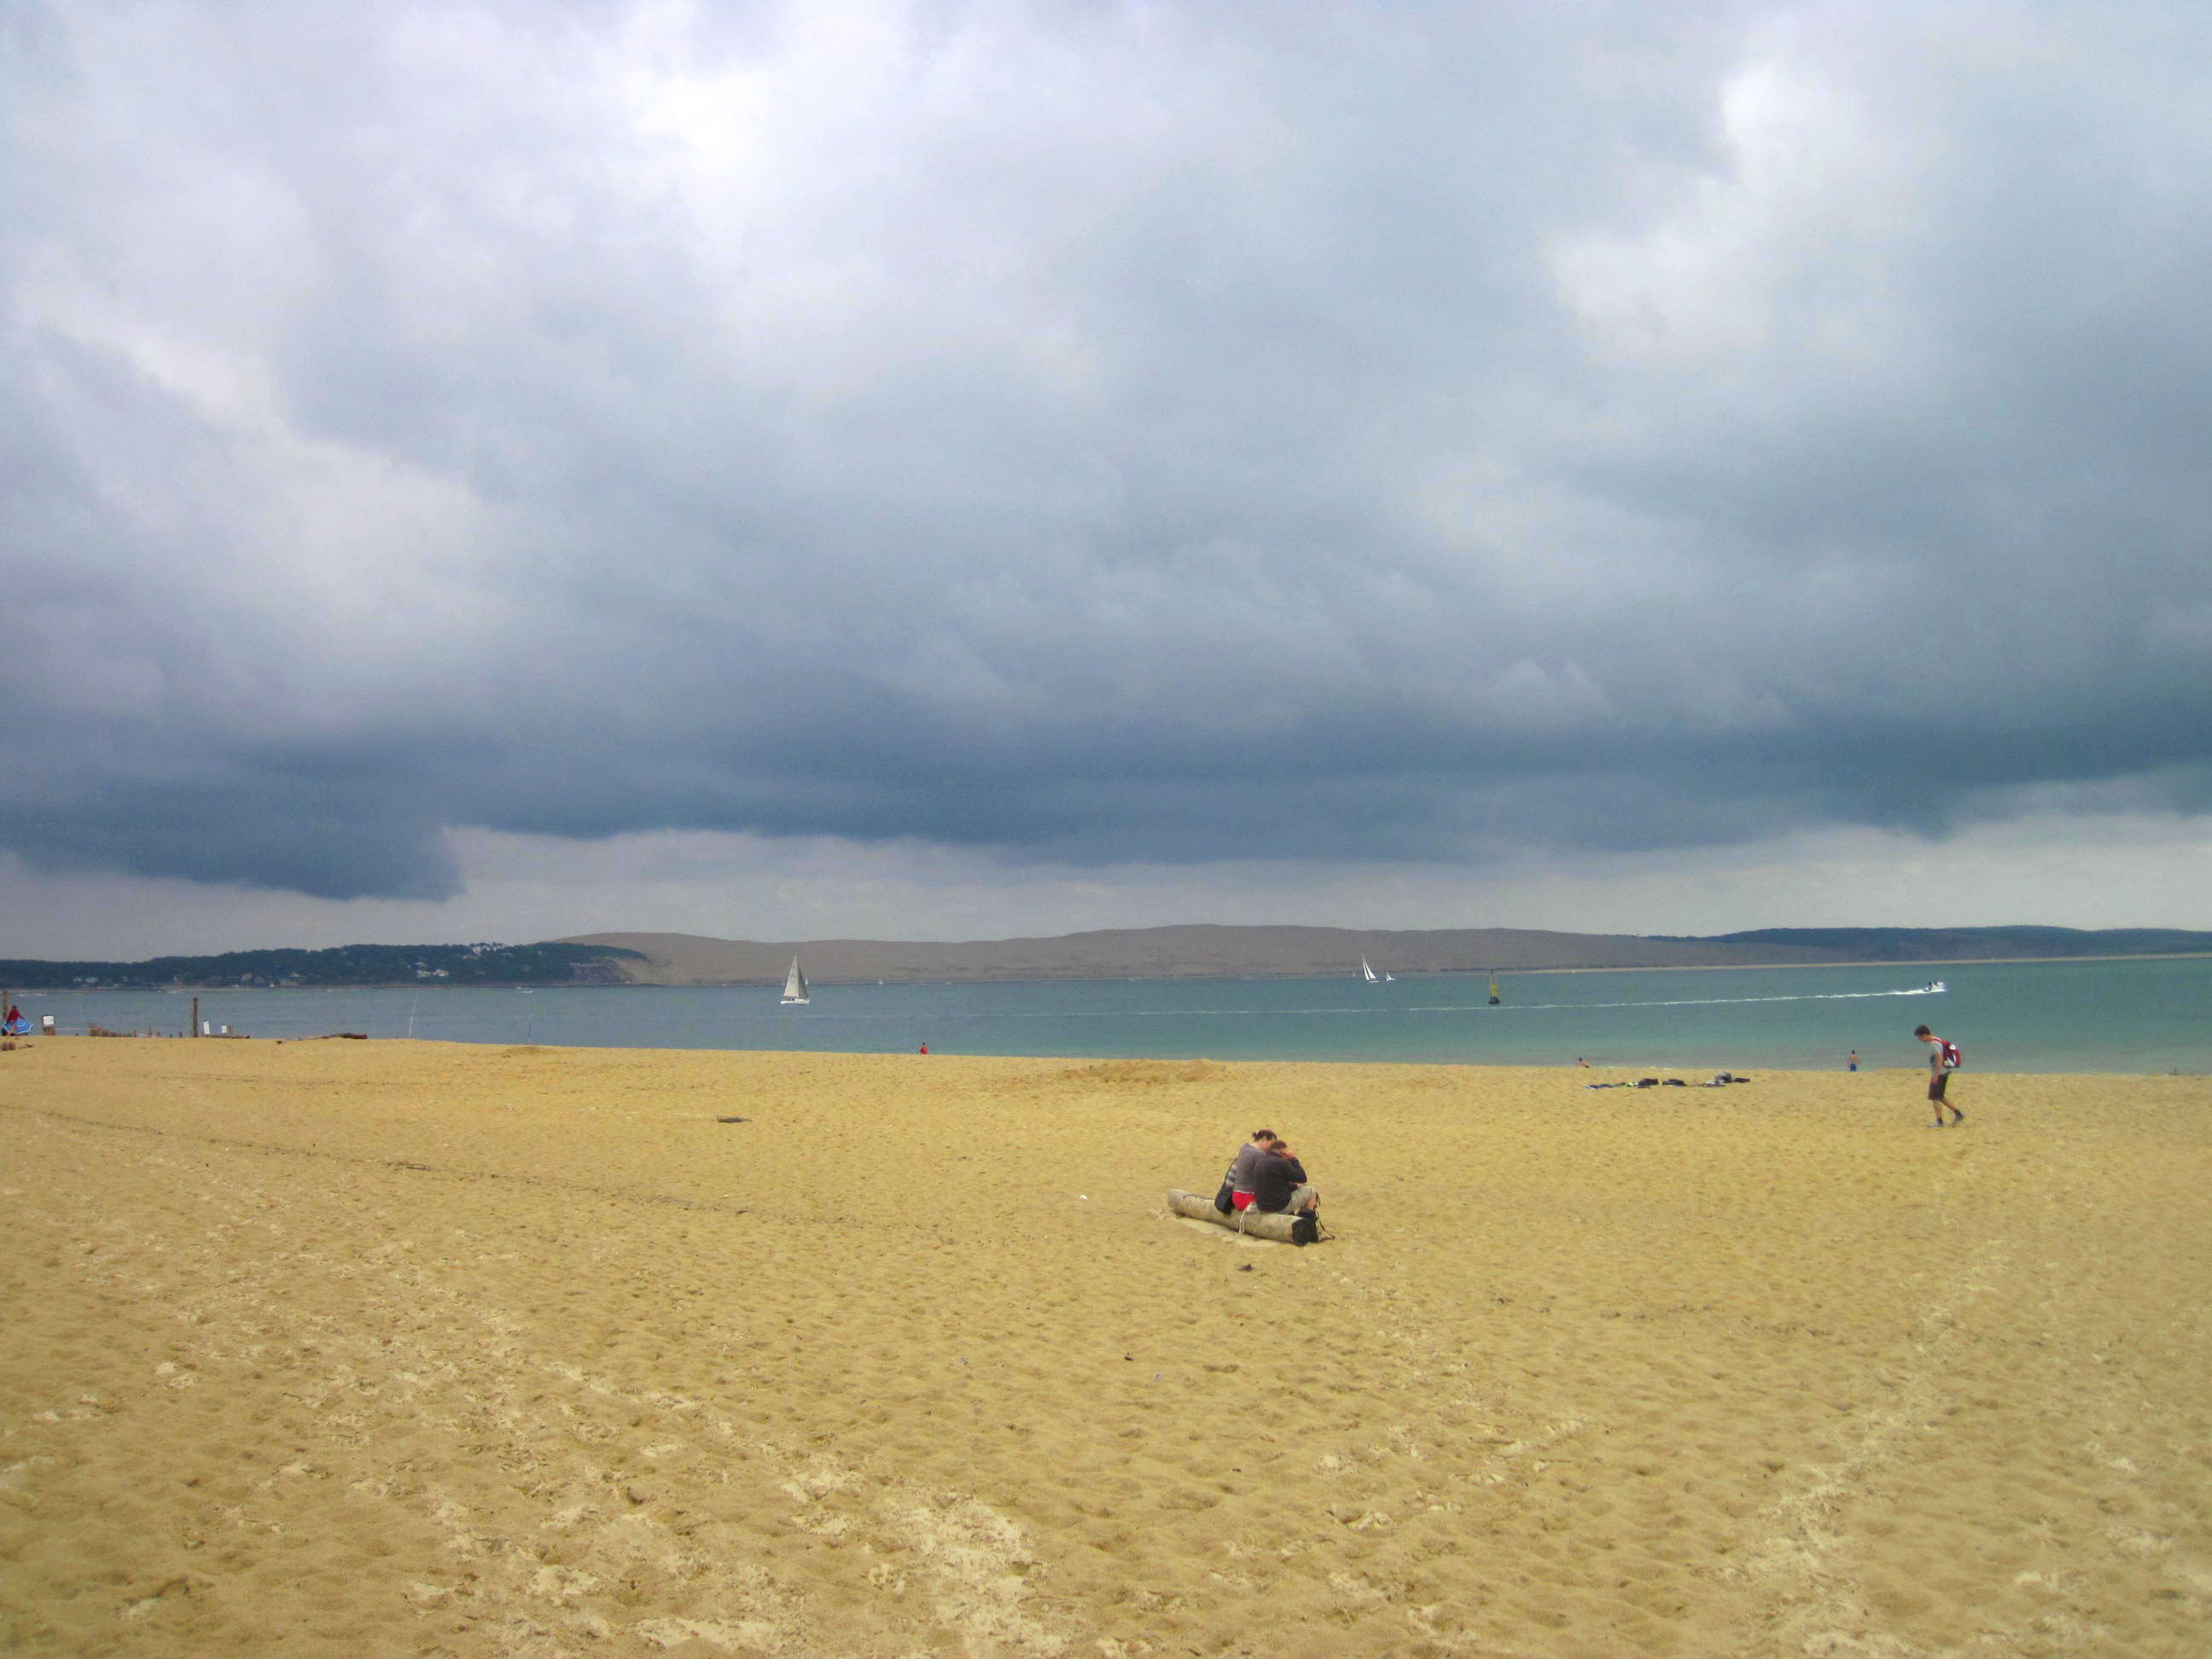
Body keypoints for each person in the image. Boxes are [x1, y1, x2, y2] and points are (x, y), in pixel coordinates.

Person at [1251, 1140, 1318, 1217]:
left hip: (1262, 1206)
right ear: (1282, 1150)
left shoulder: (1260, 1161)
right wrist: (1294, 1159)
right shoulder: (1281, 1163)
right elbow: (1302, 1178)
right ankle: (1307, 1221)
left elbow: (1273, 1185)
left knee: (1297, 1186)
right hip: (1278, 1207)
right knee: (1311, 1191)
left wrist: (1295, 1187)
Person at [1914, 1025, 1963, 1126]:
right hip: (1944, 1072)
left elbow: (1939, 1058)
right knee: (1940, 1097)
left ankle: (1939, 1122)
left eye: (1920, 1038)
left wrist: (1936, 1075)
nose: (1920, 1040)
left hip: (1940, 1073)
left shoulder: (1934, 1043)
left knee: (1934, 1097)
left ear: (1925, 1035)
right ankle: (1958, 1114)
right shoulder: (1937, 1040)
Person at [1226, 1128, 1278, 1212]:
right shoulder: (1259, 1154)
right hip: (1248, 1200)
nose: (1271, 1148)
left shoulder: (1245, 1148)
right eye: (1271, 1144)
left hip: (1236, 1197)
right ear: (1264, 1139)